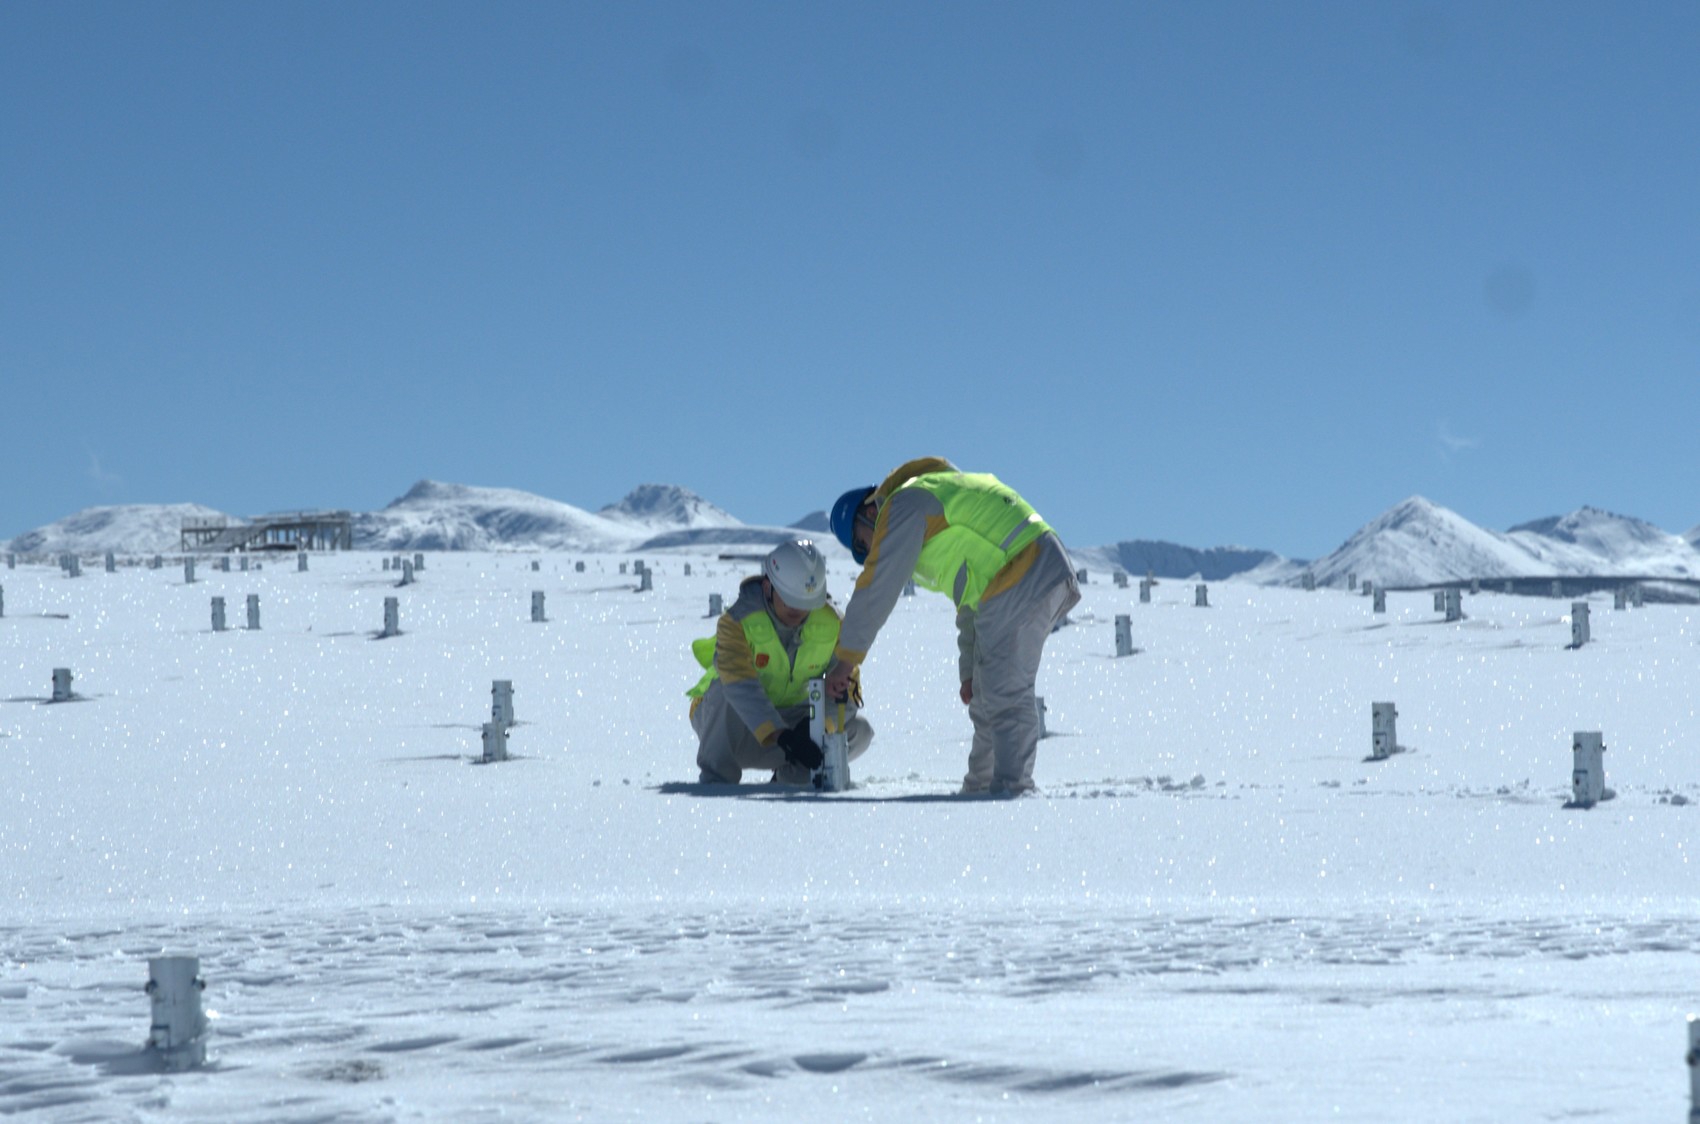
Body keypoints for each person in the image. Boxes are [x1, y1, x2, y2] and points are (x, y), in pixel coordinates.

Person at [825, 457, 1079, 797]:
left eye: (861, 544)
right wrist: (969, 670)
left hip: (1024, 567)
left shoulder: (904, 505)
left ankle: (1013, 792)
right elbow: (969, 598)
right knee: (987, 696)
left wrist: (846, 660)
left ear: (870, 512)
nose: (869, 551)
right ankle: (980, 789)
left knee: (1004, 692)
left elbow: (877, 586)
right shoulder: (938, 509)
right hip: (1022, 574)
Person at [688, 539, 873, 785]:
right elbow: (739, 684)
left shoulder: (834, 624)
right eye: (789, 600)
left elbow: (846, 690)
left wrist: (815, 726)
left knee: (859, 732)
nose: (797, 610)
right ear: (768, 588)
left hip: (794, 724)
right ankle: (717, 783)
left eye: (806, 603)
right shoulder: (737, 621)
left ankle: (791, 780)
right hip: (737, 728)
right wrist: (780, 734)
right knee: (723, 689)